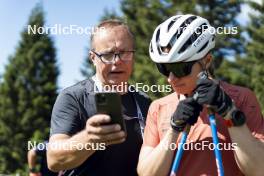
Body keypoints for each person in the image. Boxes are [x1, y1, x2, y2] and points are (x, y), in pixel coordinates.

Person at [137, 14, 264, 176]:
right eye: (164, 68)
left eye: (179, 69)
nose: (170, 79)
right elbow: (146, 174)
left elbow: (259, 170)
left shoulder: (242, 98)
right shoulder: (158, 107)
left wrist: (230, 114)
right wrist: (174, 128)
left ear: (207, 60)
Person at [47, 19, 151, 176]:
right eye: (107, 55)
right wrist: (91, 138)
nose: (117, 61)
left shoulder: (144, 102)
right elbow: (54, 160)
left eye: (124, 53)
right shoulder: (73, 97)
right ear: (93, 58)